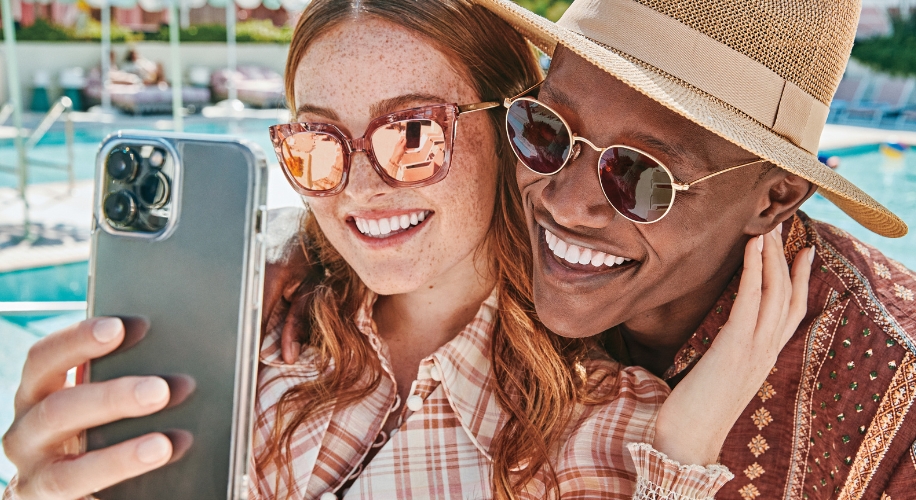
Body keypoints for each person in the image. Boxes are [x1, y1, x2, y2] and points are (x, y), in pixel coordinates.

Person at [3, 1, 809, 499]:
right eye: (317, 143)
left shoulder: (615, 430)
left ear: (510, 130)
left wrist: (679, 457)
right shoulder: (244, 346)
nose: (357, 187)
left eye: (414, 134)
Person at [469, 0, 913, 498]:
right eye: (545, 129)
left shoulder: (896, 404)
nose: (568, 206)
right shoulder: (476, 261)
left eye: (640, 176)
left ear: (774, 199)